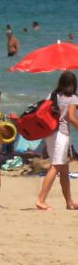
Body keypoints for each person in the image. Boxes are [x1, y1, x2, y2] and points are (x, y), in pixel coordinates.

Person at [34, 70, 78, 211]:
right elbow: (71, 117)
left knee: (64, 169)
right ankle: (41, 200)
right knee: (57, 166)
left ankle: (69, 202)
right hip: (61, 134)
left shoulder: (52, 95)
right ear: (73, 84)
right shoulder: (73, 98)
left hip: (49, 133)